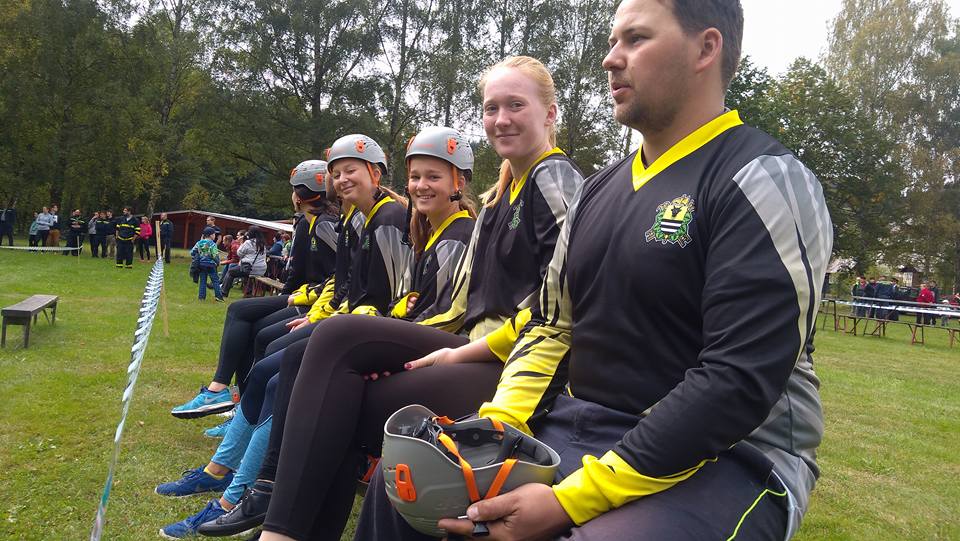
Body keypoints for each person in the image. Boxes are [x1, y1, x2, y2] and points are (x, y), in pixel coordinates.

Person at [357, 1, 833, 540]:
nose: (610, 59)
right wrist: (498, 428)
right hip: (584, 423)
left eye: (636, 39)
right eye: (612, 42)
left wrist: (569, 501)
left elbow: (737, 380)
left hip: (736, 456)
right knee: (411, 485)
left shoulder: (765, 179)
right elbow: (552, 326)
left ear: (706, 48)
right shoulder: (596, 192)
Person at [251, 61, 582, 541]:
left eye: (516, 105)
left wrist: (453, 352)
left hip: (516, 365)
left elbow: (558, 309)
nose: (501, 119)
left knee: (339, 343)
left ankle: (275, 520)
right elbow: (464, 306)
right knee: (334, 382)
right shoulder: (498, 197)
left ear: (549, 113)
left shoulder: (554, 177)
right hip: (476, 348)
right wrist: (404, 349)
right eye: (491, 108)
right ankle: (279, 516)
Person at [158, 138, 413, 537]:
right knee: (267, 366)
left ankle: (243, 493)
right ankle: (224, 472)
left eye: (351, 171)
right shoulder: (358, 216)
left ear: (376, 173)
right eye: (337, 173)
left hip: (364, 333)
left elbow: (391, 296)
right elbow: (347, 285)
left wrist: (323, 315)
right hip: (347, 324)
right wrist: (320, 314)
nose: (342, 179)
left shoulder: (387, 217)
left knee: (279, 374)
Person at [169, 159, 338, 421]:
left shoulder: (319, 224)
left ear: (298, 195)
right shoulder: (313, 221)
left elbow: (333, 275)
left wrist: (291, 297)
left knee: (240, 312)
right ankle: (237, 403)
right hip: (308, 295)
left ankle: (224, 393)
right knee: (250, 324)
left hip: (315, 301)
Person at [222, 226, 268, 297]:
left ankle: (223, 292)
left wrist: (241, 243)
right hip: (261, 270)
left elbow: (239, 253)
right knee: (244, 272)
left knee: (231, 272)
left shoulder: (248, 242)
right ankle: (248, 293)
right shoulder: (263, 243)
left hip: (250, 268)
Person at [191, 227, 225, 301]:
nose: (215, 236)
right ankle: (219, 297)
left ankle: (201, 297)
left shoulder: (199, 243)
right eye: (214, 234)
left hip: (201, 264)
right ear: (211, 235)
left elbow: (192, 252)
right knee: (215, 281)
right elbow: (215, 255)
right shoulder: (213, 244)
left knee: (203, 281)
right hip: (211, 265)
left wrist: (197, 257)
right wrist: (218, 262)